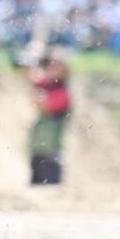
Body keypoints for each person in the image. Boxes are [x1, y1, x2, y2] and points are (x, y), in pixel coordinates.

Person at [22, 47, 72, 185]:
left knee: (49, 191)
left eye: (56, 66)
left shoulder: (63, 92)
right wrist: (32, 59)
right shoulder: (49, 86)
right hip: (38, 150)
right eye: (50, 65)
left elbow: (45, 105)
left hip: (50, 154)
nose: (52, 69)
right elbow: (30, 75)